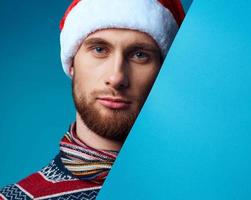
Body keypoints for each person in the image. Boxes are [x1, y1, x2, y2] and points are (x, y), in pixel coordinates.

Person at [0, 0, 185, 199]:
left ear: (162, 72)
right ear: (72, 64)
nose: (116, 78)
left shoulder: (200, 186)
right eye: (99, 49)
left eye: (140, 55)